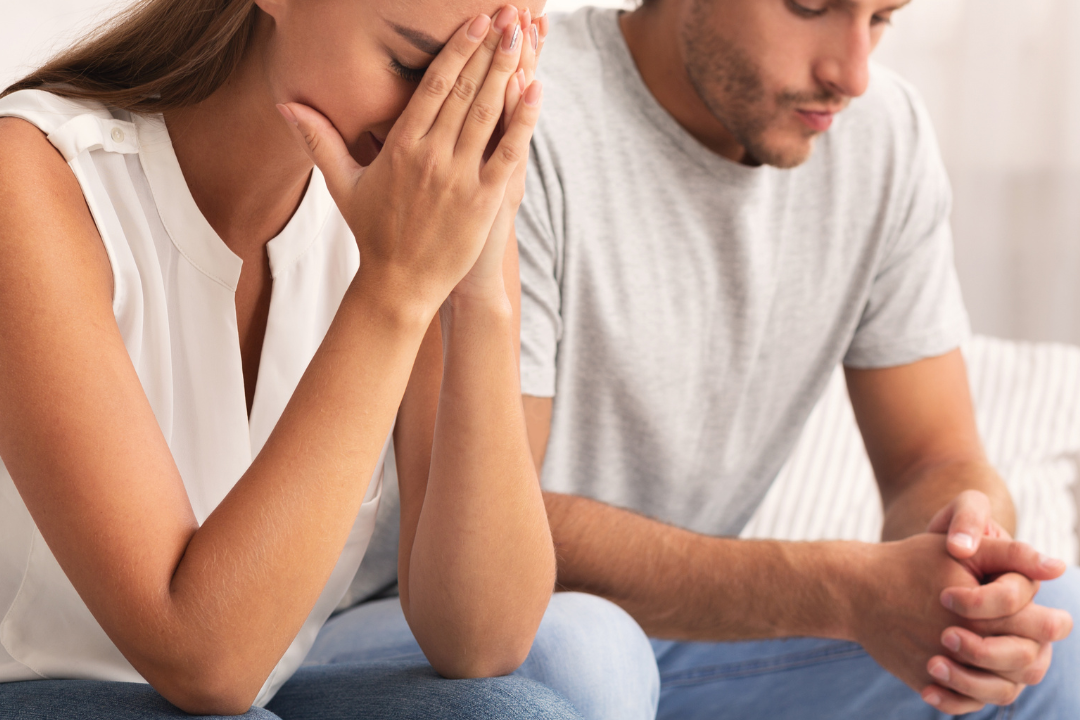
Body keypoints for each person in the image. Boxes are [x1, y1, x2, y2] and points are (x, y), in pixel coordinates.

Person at [0, 0, 658, 718]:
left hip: (251, 695)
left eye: (484, 76)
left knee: (517, 706)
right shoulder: (36, 180)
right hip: (43, 689)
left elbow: (480, 640)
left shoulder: (409, 196)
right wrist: (393, 292)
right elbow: (205, 663)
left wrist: (477, 292)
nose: (438, 126)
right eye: (411, 65)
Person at [507, 0, 1080, 718]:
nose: (854, 73)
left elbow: (932, 460)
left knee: (1055, 636)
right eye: (812, 6)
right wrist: (842, 589)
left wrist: (968, 553)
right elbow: (497, 528)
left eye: (881, 19)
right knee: (585, 650)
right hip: (443, 630)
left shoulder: (880, 139)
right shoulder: (527, 112)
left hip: (673, 641)